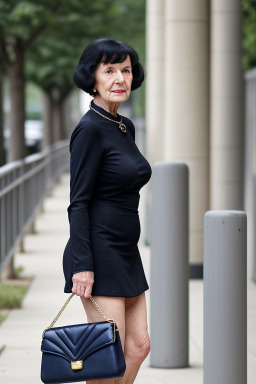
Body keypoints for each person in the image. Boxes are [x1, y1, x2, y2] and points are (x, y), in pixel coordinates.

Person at [63, 37, 152, 384]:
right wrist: (82, 265)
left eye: (126, 71)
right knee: (105, 355)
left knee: (138, 346)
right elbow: (78, 202)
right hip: (98, 253)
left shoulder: (123, 126)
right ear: (93, 77)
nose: (119, 79)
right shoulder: (89, 130)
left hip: (125, 251)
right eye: (109, 70)